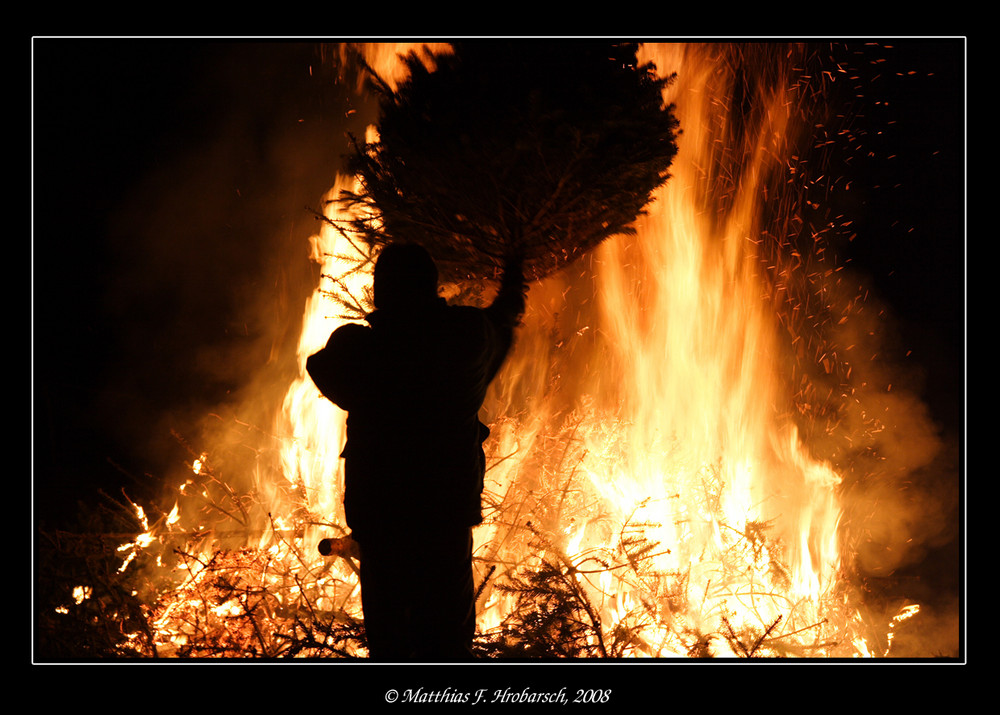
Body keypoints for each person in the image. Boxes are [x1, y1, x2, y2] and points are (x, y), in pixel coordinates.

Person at [307, 242, 526, 661]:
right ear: (433, 287)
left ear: (379, 292)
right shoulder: (465, 339)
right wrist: (514, 276)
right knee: (447, 641)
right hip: (444, 517)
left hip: (382, 522)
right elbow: (501, 321)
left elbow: (321, 366)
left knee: (391, 643)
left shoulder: (361, 353)